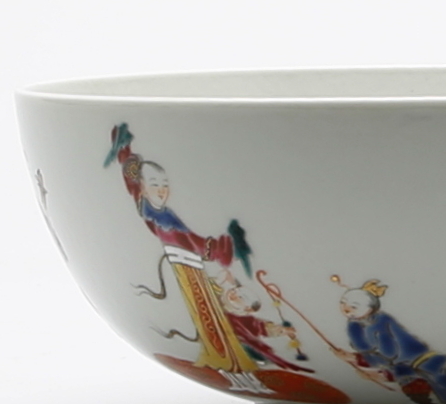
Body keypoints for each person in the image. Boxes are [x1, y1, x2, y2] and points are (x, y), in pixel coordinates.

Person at [106, 123, 259, 374]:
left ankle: (226, 359)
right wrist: (221, 247)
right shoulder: (158, 215)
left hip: (190, 267)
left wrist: (126, 151)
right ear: (142, 186)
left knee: (210, 314)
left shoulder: (162, 213)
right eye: (155, 184)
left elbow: (189, 240)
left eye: (165, 184)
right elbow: (188, 240)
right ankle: (224, 359)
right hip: (186, 269)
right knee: (207, 315)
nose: (162, 190)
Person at [335, 279, 446, 404]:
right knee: (416, 386)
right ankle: (425, 402)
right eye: (343, 303)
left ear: (371, 308)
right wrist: (359, 360)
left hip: (424, 362)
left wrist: (363, 362)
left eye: (353, 306)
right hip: (407, 366)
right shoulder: (355, 324)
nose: (346, 309)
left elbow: (389, 353)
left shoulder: (380, 323)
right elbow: (374, 353)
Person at [219, 285, 311, 373]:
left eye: (240, 297)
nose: (233, 294)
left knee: (248, 349)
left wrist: (283, 330)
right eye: (234, 290)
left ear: (248, 308)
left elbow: (263, 328)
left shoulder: (245, 319)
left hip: (235, 341)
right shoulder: (217, 299)